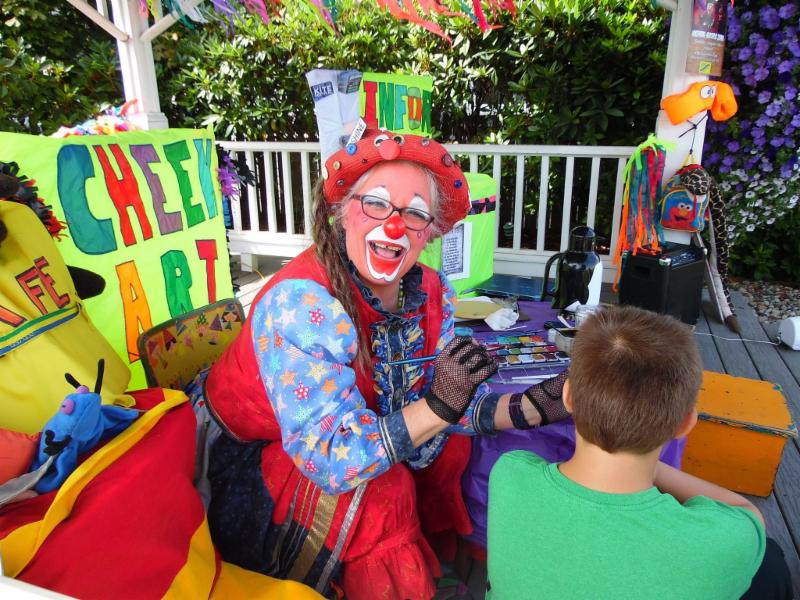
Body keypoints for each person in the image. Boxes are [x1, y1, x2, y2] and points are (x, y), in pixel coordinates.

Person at [190, 129, 571, 599]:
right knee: (384, 493)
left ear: (429, 232)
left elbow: (442, 401)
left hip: (354, 433)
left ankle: (426, 564)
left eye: (414, 213)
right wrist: (438, 406)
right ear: (343, 210)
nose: (394, 226)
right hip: (256, 451)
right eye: (375, 204)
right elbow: (331, 457)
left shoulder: (430, 289)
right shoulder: (303, 304)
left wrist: (532, 406)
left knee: (452, 449)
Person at [487, 305, 794, 599]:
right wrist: (650, 466)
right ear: (686, 424)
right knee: (770, 563)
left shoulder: (509, 474)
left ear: (567, 398)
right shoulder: (723, 539)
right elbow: (747, 514)